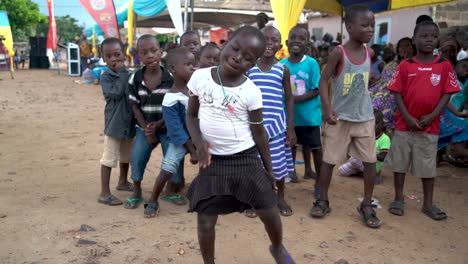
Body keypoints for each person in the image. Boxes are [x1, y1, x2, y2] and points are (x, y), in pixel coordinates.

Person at [186, 26, 295, 264]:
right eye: (235, 49)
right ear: (225, 44)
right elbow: (191, 116)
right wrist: (199, 143)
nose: (238, 58)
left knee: (269, 209)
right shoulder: (200, 77)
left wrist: (269, 170)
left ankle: (277, 246)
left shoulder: (251, 91)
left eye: (248, 58)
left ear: (253, 64)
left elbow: (259, 132)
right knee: (205, 218)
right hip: (212, 159)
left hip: (245, 158)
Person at [312, 5, 382, 228]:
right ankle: (322, 199)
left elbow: (362, 77)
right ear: (350, 27)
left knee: (370, 161)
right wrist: (326, 108)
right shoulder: (338, 53)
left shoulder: (370, 53)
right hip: (339, 118)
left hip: (364, 118)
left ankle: (367, 204)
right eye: (365, 25)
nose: (370, 29)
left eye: (372, 25)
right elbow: (324, 80)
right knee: (329, 161)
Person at [385, 21, 460, 221]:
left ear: (438, 40)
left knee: (428, 167)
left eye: (433, 36)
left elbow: (447, 94)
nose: (429, 39)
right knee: (400, 165)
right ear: (414, 39)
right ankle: (398, 198)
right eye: (424, 36)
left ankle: (428, 203)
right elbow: (397, 94)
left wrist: (433, 115)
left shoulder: (444, 65)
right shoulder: (405, 65)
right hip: (404, 125)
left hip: (430, 127)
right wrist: (408, 118)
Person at [125, 35, 185, 209]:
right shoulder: (134, 79)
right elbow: (134, 106)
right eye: (144, 53)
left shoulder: (172, 77)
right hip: (144, 127)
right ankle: (136, 191)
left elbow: (177, 106)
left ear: (160, 52)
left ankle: (170, 190)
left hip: (168, 126)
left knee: (174, 156)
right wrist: (146, 130)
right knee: (137, 156)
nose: (150, 55)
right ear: (139, 56)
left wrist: (161, 125)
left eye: (153, 51)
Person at [246, 26, 297, 218]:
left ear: (280, 44)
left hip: (276, 126)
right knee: (254, 164)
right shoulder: (250, 68)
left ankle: (280, 197)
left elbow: (289, 98)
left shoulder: (283, 69)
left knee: (278, 164)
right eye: (265, 39)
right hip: (254, 126)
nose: (269, 43)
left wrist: (290, 128)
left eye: (274, 40)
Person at [143, 48, 198, 218]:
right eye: (188, 64)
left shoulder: (197, 90)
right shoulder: (170, 99)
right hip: (181, 141)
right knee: (167, 169)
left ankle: (203, 196)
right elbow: (175, 129)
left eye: (193, 64)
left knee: (210, 167)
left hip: (199, 138)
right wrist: (193, 150)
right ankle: (153, 199)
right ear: (173, 69)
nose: (192, 68)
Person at [280, 25, 322, 197]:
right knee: (289, 145)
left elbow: (316, 89)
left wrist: (293, 100)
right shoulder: (281, 65)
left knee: (316, 148)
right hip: (289, 118)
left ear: (307, 44)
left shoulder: (311, 64)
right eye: (294, 37)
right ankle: (291, 173)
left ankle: (320, 180)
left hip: (309, 117)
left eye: (302, 38)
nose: (297, 40)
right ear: (287, 42)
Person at [97, 38, 136, 206]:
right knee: (109, 158)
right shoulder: (106, 76)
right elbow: (116, 93)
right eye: (109, 56)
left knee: (126, 155)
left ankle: (123, 181)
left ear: (124, 55)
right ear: (104, 59)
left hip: (129, 122)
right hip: (114, 124)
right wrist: (122, 74)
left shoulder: (130, 74)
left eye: (117, 54)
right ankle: (104, 193)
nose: (114, 59)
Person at [370, 37, 416, 130]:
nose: (404, 48)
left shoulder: (415, 65)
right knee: (366, 96)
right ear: (398, 50)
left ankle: (384, 129)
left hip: (396, 93)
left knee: (381, 102)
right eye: (401, 46)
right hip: (381, 89)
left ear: (413, 48)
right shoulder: (391, 64)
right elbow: (383, 80)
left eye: (407, 46)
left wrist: (405, 61)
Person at [338, 110, 390, 184]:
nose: (373, 125)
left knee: (355, 159)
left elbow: (382, 157)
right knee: (341, 171)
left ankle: (375, 174)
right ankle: (361, 172)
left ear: (382, 124)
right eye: (370, 123)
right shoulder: (364, 135)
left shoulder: (385, 139)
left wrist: (366, 154)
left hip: (373, 165)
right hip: (361, 161)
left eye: (377, 123)